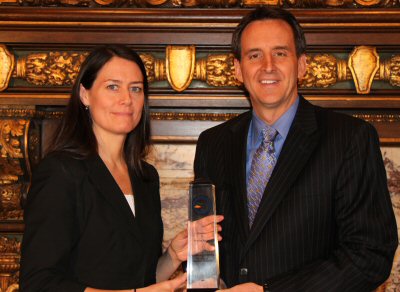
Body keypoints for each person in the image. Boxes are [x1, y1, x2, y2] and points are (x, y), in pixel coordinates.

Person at [195, 7, 398, 292]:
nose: (268, 66)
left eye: (280, 53)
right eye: (254, 55)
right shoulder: (212, 143)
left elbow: (370, 254)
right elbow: (206, 246)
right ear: (238, 70)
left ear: (302, 65)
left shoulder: (349, 139)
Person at [20, 44, 222, 292]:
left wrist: (172, 256)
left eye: (135, 89)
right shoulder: (60, 172)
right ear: (85, 94)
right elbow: (38, 283)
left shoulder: (146, 177)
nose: (127, 99)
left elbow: (140, 279)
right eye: (112, 86)